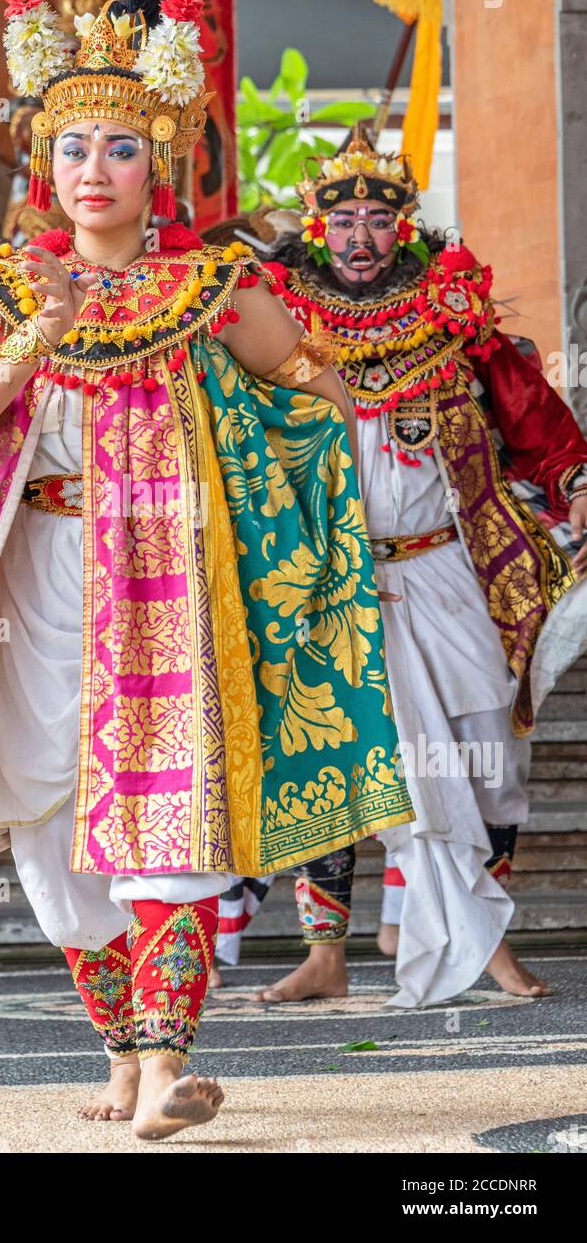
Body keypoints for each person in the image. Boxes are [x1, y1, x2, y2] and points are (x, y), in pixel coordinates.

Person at [0, 0, 413, 1139]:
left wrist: (346, 464)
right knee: (41, 818)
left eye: (120, 147)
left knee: (167, 812)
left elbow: (302, 381)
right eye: (72, 146)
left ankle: (163, 1067)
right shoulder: (7, 285)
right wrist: (40, 327)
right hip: (34, 579)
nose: (95, 168)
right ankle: (124, 1053)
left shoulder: (210, 285)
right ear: (46, 162)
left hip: (166, 583)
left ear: (156, 161)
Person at [217, 127, 587, 1007]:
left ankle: (481, 927)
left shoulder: (454, 318)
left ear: (404, 228)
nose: (358, 239)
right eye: (340, 219)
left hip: (454, 572)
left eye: (376, 221)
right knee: (335, 760)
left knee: (492, 759)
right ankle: (327, 955)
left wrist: (579, 488)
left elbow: (541, 431)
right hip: (328, 583)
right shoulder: (276, 320)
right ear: (314, 224)